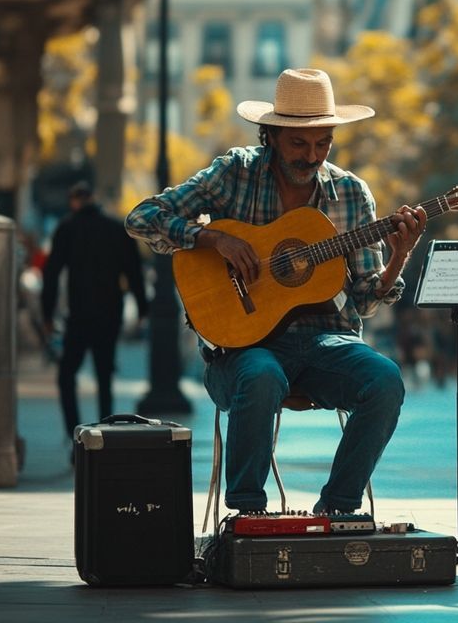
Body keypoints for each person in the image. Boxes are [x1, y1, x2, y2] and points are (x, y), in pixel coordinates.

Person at [125, 68, 426, 515]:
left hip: (328, 341)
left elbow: (364, 300)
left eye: (323, 143)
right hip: (242, 350)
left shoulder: (351, 194)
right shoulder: (235, 173)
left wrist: (399, 257)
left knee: (385, 381)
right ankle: (248, 515)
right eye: (299, 144)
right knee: (262, 374)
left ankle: (337, 510)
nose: (312, 156)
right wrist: (212, 239)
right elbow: (143, 216)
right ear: (271, 135)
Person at [42, 181, 148, 449]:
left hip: (79, 315)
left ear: (73, 201)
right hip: (109, 313)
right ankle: (104, 434)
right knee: (104, 376)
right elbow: (133, 271)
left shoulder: (66, 228)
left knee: (67, 375)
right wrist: (142, 309)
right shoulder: (115, 228)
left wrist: (47, 313)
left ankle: (75, 435)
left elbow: (52, 273)